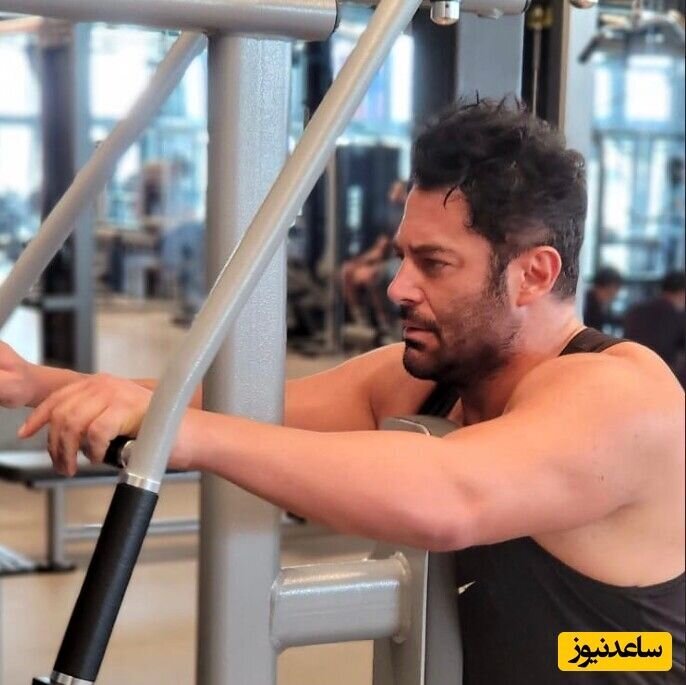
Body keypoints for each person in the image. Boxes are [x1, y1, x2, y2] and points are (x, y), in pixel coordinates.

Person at [1, 100, 684, 683]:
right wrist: (32, 382)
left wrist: (190, 435)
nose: (397, 287)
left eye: (434, 263)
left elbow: (450, 495)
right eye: (403, 256)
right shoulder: (424, 383)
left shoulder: (619, 396)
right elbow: (226, 409)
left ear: (534, 274)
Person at [340, 180, 408, 343]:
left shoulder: (413, 215)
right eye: (392, 190)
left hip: (405, 261)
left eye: (396, 190)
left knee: (371, 275)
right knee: (347, 272)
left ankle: (385, 324)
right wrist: (356, 263)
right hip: (390, 261)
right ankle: (361, 319)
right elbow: (379, 249)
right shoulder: (390, 216)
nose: (392, 194)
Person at [624, 270, 686, 387]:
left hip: (632, 376)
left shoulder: (635, 311)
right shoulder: (678, 317)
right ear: (682, 293)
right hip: (664, 381)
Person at [583, 266, 622, 332]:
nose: (611, 298)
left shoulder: (599, 305)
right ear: (599, 287)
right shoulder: (586, 306)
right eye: (609, 293)